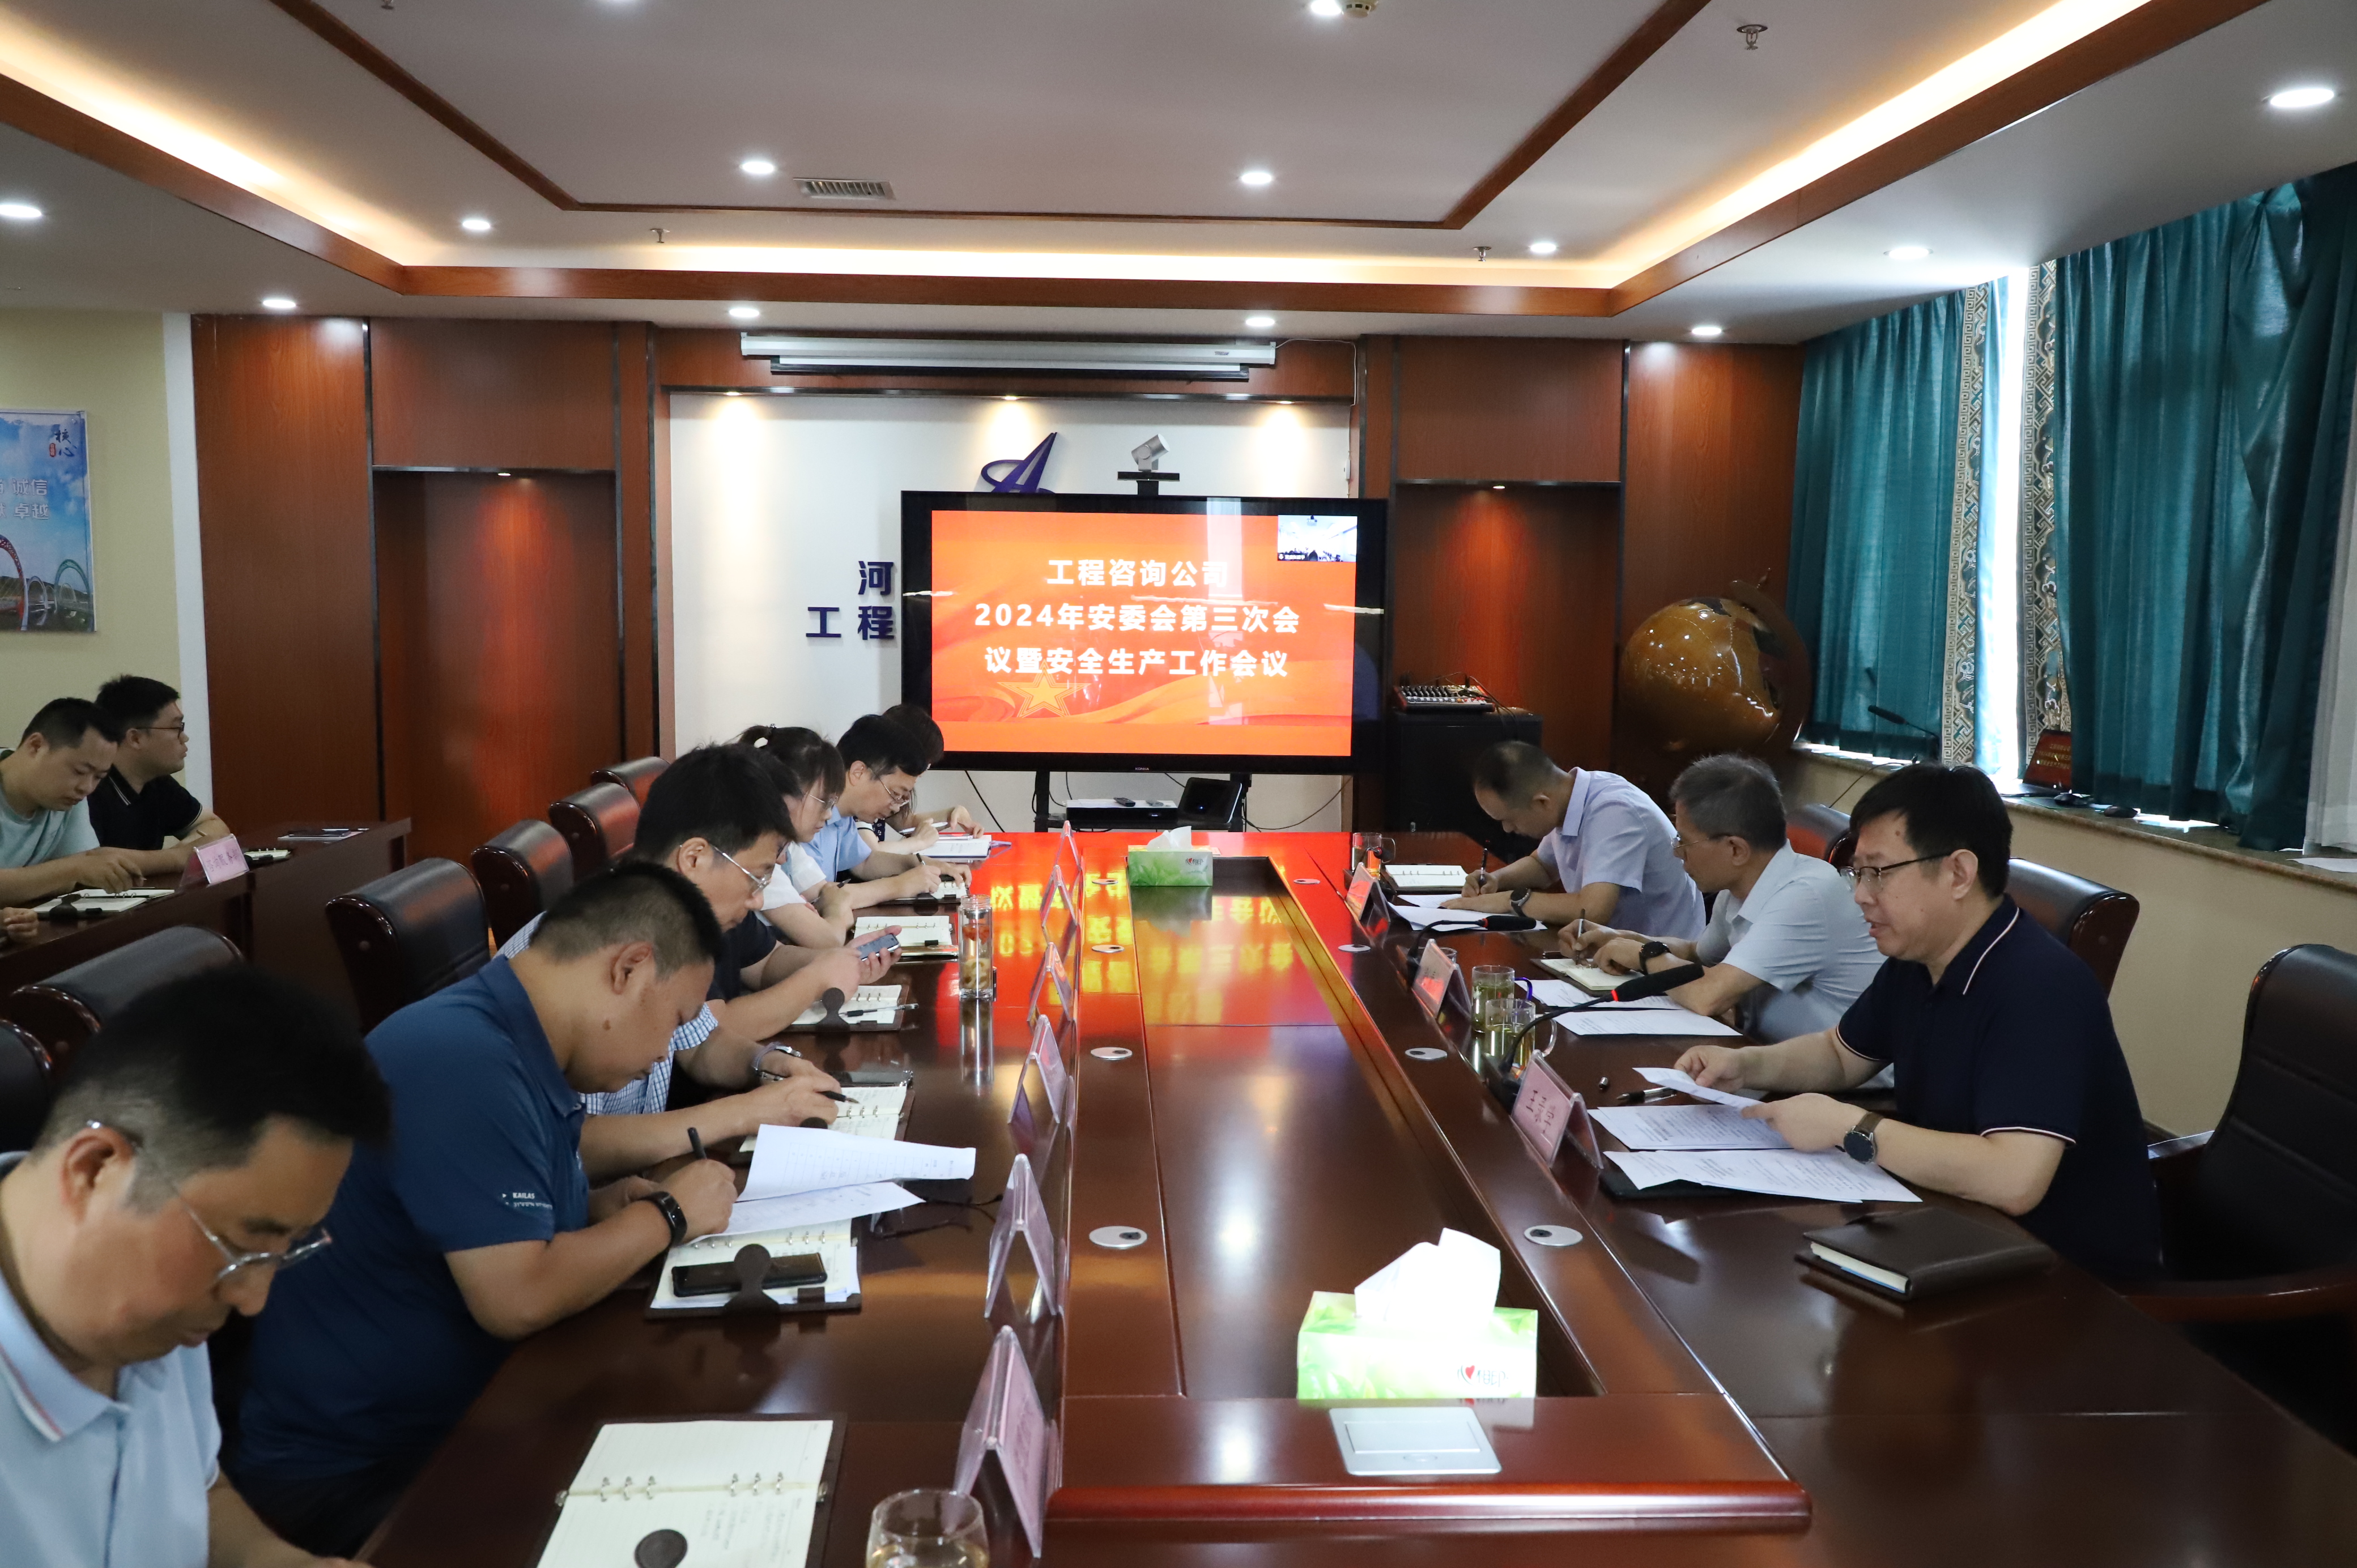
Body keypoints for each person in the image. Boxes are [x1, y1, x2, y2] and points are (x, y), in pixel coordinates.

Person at [231, 864, 745, 1556]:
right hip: (369, 1476)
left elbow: (482, 1216)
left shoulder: (517, 1040)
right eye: (675, 1020)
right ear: (627, 968)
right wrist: (669, 1216)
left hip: (479, 1411)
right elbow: (518, 1295)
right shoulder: (459, 1057)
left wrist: (599, 1207)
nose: (663, 1053)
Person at [1675, 763, 2163, 1281]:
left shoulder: (2041, 986)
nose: (1861, 894)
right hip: (1948, 1227)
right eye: (1858, 873)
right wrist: (1747, 1066)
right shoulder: (1919, 958)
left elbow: (2014, 1179)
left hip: (2066, 1277)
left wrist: (1848, 1127)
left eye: (1879, 873)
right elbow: (1841, 1056)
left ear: (1959, 874)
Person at [0, 966, 393, 1568]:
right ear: (94, 1168)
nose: (253, 1297)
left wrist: (272, 1559)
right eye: (239, 1245)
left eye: (282, 1250)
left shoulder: (152, 1301)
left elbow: (193, 1486)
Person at [495, 745, 880, 1179]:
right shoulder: (586, 951)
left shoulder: (676, 931)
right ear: (694, 858)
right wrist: (742, 1113)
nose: (759, 900)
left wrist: (767, 1063)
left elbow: (700, 1045)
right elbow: (566, 1144)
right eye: (757, 877)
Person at [1561, 754, 1882, 1040]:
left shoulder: (1806, 894)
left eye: (1684, 842)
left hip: (1841, 1080)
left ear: (1736, 849)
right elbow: (1698, 955)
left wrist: (1643, 955)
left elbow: (1708, 996)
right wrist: (1619, 938)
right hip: (1763, 1052)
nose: (1677, 853)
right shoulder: (1739, 888)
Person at [1443, 741, 1703, 940]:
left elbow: (1592, 911)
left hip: (1663, 958)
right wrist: (1497, 880)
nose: (1507, 829)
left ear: (1541, 803)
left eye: (1509, 819)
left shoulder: (1614, 812)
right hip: (1612, 950)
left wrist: (1511, 901)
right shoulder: (1568, 798)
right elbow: (1542, 866)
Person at [0, 698, 146, 924]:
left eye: (99, 777)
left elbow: (71, 876)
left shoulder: (67, 797)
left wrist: (70, 871)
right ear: (36, 746)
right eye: (79, 771)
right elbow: (74, 869)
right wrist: (72, 869)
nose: (87, 788)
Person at [811, 714, 968, 909]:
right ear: (858, 772)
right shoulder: (809, 814)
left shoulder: (843, 817)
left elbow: (865, 862)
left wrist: (922, 864)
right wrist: (899, 885)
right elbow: (819, 896)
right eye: (895, 794)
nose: (895, 807)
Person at [88, 674, 232, 873]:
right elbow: (91, 863)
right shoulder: (88, 788)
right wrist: (179, 857)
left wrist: (182, 853)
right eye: (176, 728)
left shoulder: (157, 782)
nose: (184, 737)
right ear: (136, 738)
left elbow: (214, 826)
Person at [741, 725, 857, 948]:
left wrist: (831, 905)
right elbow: (829, 941)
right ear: (787, 794)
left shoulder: (788, 847)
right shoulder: (755, 859)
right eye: (825, 801)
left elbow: (824, 891)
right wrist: (837, 909)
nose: (829, 814)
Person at [875, 703, 978, 841]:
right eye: (923, 765)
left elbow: (906, 824)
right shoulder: (865, 795)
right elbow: (871, 850)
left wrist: (952, 815)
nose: (922, 774)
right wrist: (918, 843)